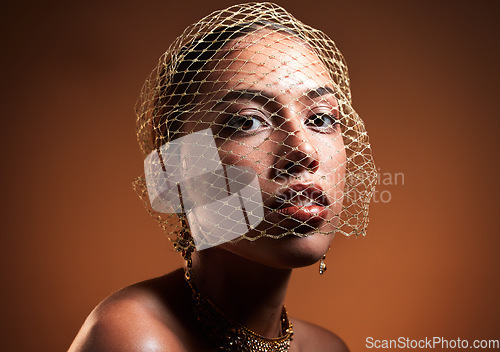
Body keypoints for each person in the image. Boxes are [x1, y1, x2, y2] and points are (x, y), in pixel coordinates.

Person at [69, 3, 376, 351]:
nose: (303, 152)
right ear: (174, 169)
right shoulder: (134, 338)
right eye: (247, 122)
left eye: (321, 118)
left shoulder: (328, 348)